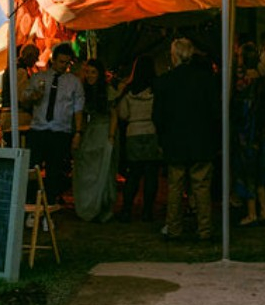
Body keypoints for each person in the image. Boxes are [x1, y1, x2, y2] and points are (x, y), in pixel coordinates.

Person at [153, 38, 220, 241]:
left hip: (175, 142)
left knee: (175, 187)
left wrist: (163, 138)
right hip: (201, 141)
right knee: (201, 187)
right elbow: (215, 112)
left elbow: (158, 116)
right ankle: (204, 228)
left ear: (174, 56)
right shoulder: (206, 79)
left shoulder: (165, 81)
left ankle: (174, 227)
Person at [23, 42, 84, 205]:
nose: (64, 66)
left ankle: (49, 203)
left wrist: (78, 132)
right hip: (38, 129)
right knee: (32, 168)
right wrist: (33, 96)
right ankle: (30, 202)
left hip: (60, 131)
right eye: (61, 62)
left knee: (55, 171)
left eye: (67, 63)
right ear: (54, 60)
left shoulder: (74, 82)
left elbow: (78, 108)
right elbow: (24, 97)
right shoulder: (39, 77)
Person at [72, 58, 117, 222]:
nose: (90, 75)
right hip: (91, 132)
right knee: (88, 170)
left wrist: (111, 136)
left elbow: (114, 115)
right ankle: (89, 205)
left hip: (104, 131)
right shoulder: (84, 91)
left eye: (93, 72)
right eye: (87, 72)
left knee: (103, 170)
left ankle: (101, 207)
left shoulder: (107, 91)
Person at [118, 55, 161, 223]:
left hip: (134, 132)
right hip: (151, 131)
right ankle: (147, 211)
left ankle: (127, 209)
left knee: (134, 174)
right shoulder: (156, 90)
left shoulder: (129, 91)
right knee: (151, 175)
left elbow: (123, 114)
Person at [231, 41, 265, 226]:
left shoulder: (242, 83)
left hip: (246, 132)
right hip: (260, 131)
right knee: (259, 171)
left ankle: (252, 212)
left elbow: (239, 109)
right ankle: (264, 210)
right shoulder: (262, 79)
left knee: (248, 172)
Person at [0, 43, 40, 141]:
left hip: (8, 117)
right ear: (29, 56)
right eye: (36, 57)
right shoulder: (21, 71)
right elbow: (23, 97)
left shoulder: (10, 68)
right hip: (18, 118)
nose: (37, 60)